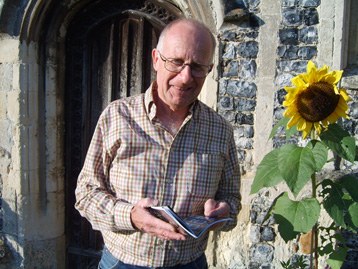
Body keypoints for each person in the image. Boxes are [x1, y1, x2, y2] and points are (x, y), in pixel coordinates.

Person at [75, 18, 241, 269]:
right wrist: (131, 216)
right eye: (176, 62)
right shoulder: (118, 116)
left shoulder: (220, 130)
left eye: (197, 66)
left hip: (189, 263)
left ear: (210, 69)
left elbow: (232, 201)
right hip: (123, 263)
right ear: (155, 59)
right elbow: (86, 194)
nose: (186, 78)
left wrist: (223, 213)